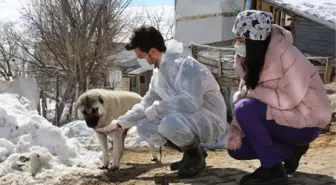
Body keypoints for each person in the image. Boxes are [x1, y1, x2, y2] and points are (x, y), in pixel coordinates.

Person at [95, 25, 230, 178]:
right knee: (144, 127)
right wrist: (119, 123)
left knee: (169, 123)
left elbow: (191, 102)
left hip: (211, 119)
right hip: (187, 119)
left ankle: (194, 156)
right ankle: (191, 152)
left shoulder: (185, 66)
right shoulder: (158, 74)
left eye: (141, 56)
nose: (141, 61)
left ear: (152, 51)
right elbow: (146, 104)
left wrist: (158, 108)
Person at [228, 10, 333, 185]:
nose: (236, 44)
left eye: (241, 40)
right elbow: (245, 93)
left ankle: (273, 170)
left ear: (254, 40)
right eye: (236, 38)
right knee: (238, 150)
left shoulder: (289, 56)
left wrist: (251, 93)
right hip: (277, 119)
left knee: (245, 107)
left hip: (305, 121)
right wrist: (237, 131)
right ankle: (291, 153)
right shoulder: (247, 59)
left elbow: (287, 100)